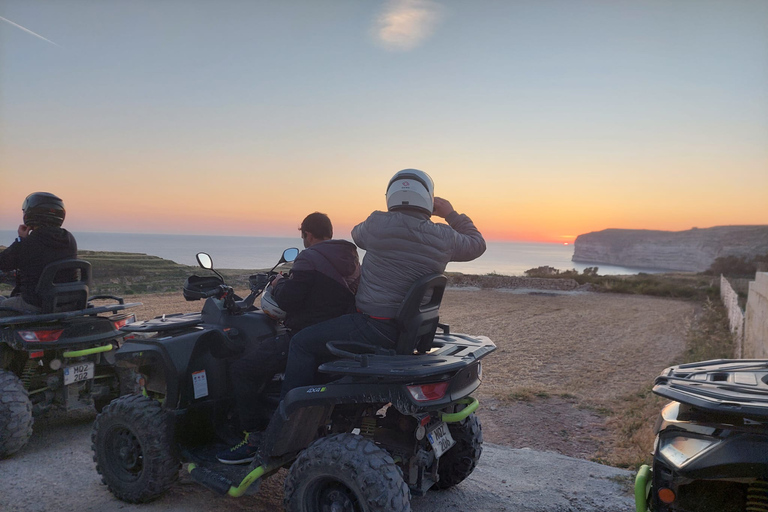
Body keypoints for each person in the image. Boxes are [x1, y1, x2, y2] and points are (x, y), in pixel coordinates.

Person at [279, 168, 486, 397]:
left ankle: (288, 416)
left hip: (372, 327)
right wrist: (451, 213)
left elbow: (356, 234)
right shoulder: (445, 236)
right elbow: (477, 244)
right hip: (411, 332)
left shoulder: (377, 223)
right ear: (428, 198)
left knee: (300, 342)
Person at [217, 212, 360, 464]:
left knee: (241, 370)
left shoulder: (309, 257)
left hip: (304, 336)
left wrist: (277, 284)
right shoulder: (349, 257)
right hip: (337, 336)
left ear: (308, 234)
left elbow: (289, 299)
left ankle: (253, 439)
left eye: (303, 234)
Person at [0, 192, 77, 316]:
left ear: (31, 214)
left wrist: (21, 239)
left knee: (3, 304)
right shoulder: (69, 239)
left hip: (34, 305)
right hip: (66, 304)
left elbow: (3, 263)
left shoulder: (29, 242)